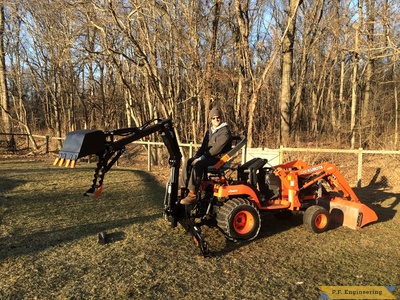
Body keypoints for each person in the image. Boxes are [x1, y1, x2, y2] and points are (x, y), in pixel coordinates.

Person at [180, 106, 232, 205]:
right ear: (211, 119)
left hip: (219, 158)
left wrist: (201, 158)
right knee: (189, 161)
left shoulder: (225, 131)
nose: (216, 120)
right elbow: (203, 147)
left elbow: (217, 149)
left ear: (221, 118)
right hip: (209, 156)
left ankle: (192, 194)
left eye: (218, 118)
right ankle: (183, 189)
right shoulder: (210, 131)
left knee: (199, 165)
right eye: (214, 118)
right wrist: (196, 157)